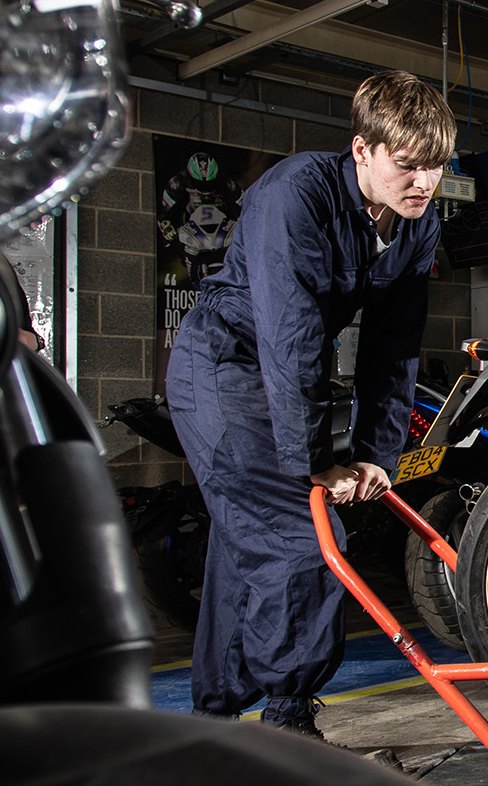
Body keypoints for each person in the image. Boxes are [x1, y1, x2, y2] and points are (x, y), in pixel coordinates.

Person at [165, 70, 453, 738]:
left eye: (436, 168)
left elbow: (394, 344)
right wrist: (315, 462)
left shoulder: (417, 221)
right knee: (300, 537)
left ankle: (216, 713)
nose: (423, 184)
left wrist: (381, 455)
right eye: (407, 167)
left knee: (247, 538)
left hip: (274, 370)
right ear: (362, 151)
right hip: (221, 365)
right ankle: (287, 720)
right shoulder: (296, 192)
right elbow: (292, 331)